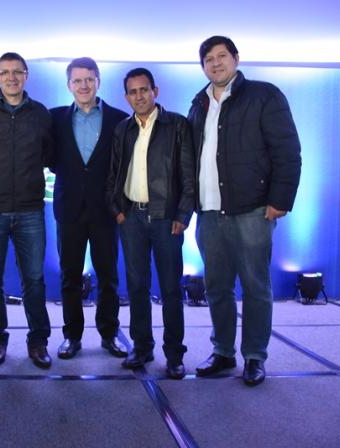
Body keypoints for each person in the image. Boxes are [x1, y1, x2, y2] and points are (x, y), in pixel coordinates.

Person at [187, 36, 301, 386]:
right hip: (209, 213)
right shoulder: (198, 104)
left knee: (255, 286)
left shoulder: (264, 95)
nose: (216, 63)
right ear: (203, 66)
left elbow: (287, 151)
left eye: (222, 56)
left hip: (252, 210)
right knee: (216, 287)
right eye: (208, 59)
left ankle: (254, 356)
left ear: (236, 58)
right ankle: (223, 351)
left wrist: (280, 200)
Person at [106, 68, 194, 378]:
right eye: (133, 92)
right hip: (131, 217)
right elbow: (113, 174)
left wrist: (182, 214)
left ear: (155, 91)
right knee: (137, 286)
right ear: (126, 96)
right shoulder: (123, 128)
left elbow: (189, 174)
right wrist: (117, 209)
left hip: (166, 218)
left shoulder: (177, 125)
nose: (139, 96)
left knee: (170, 288)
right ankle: (142, 348)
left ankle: (174, 354)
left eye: (144, 90)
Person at [0, 52, 54, 368]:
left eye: (17, 72)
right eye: (5, 72)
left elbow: (48, 156)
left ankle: (38, 341)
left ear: (26, 75)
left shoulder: (40, 114)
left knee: (35, 280)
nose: (11, 77)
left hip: (30, 210)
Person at [49, 57, 128, 360]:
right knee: (69, 276)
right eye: (77, 80)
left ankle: (109, 335)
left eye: (89, 79)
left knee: (108, 277)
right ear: (69, 85)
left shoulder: (119, 119)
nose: (84, 85)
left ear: (98, 81)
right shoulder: (55, 118)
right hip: (68, 208)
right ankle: (72, 336)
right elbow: (49, 159)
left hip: (106, 210)